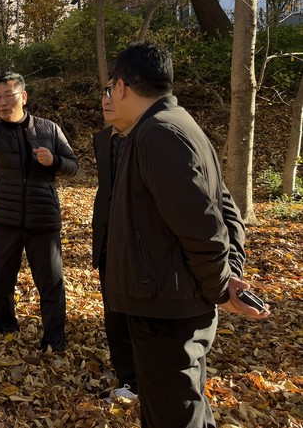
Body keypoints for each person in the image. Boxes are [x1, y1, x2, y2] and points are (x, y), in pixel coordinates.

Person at [105, 43, 270, 427]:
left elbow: (205, 225)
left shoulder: (160, 133)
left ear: (123, 87)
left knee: (175, 416)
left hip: (165, 309)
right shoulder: (174, 123)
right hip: (168, 301)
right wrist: (225, 276)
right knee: (183, 408)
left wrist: (220, 285)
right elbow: (226, 208)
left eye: (112, 88)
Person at [0, 72, 78, 351]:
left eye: (9, 95)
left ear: (23, 97)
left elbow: (73, 166)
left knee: (51, 282)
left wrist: (53, 161)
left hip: (43, 219)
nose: (3, 102)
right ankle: (5, 327)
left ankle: (54, 338)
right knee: (1, 278)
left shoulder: (49, 129)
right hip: (6, 218)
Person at [92, 78, 137, 401]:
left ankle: (142, 380)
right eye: (103, 93)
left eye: (112, 91)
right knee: (114, 316)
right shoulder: (103, 139)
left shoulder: (153, 138)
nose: (106, 99)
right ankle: (127, 378)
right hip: (107, 241)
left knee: (138, 319)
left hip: (138, 247)